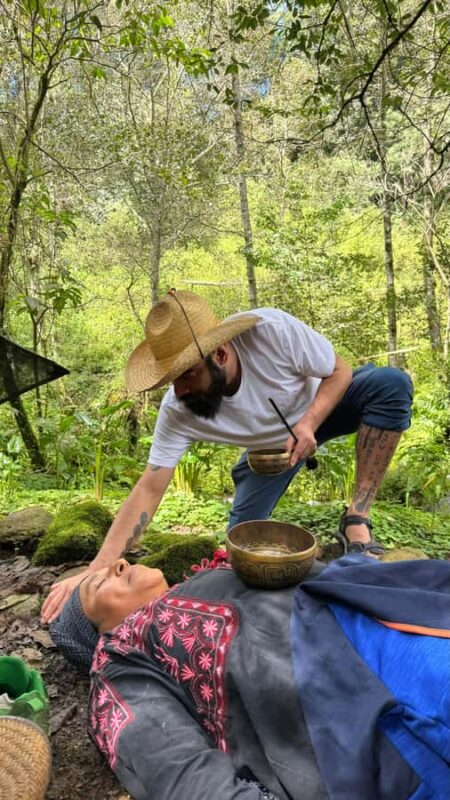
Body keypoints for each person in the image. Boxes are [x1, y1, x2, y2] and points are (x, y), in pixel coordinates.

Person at [42, 290, 413, 623]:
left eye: (186, 375)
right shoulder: (178, 409)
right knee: (241, 542)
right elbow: (149, 488)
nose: (179, 390)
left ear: (219, 354)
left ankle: (356, 518)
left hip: (322, 405)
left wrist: (309, 422)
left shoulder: (272, 331)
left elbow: (339, 370)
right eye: (170, 380)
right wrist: (98, 568)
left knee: (390, 385)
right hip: (270, 452)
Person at [49, 555, 450, 800]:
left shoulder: (203, 578)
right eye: (99, 584)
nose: (119, 564)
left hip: (386, 608)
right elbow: (172, 764)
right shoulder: (119, 656)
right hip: (345, 699)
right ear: (97, 634)